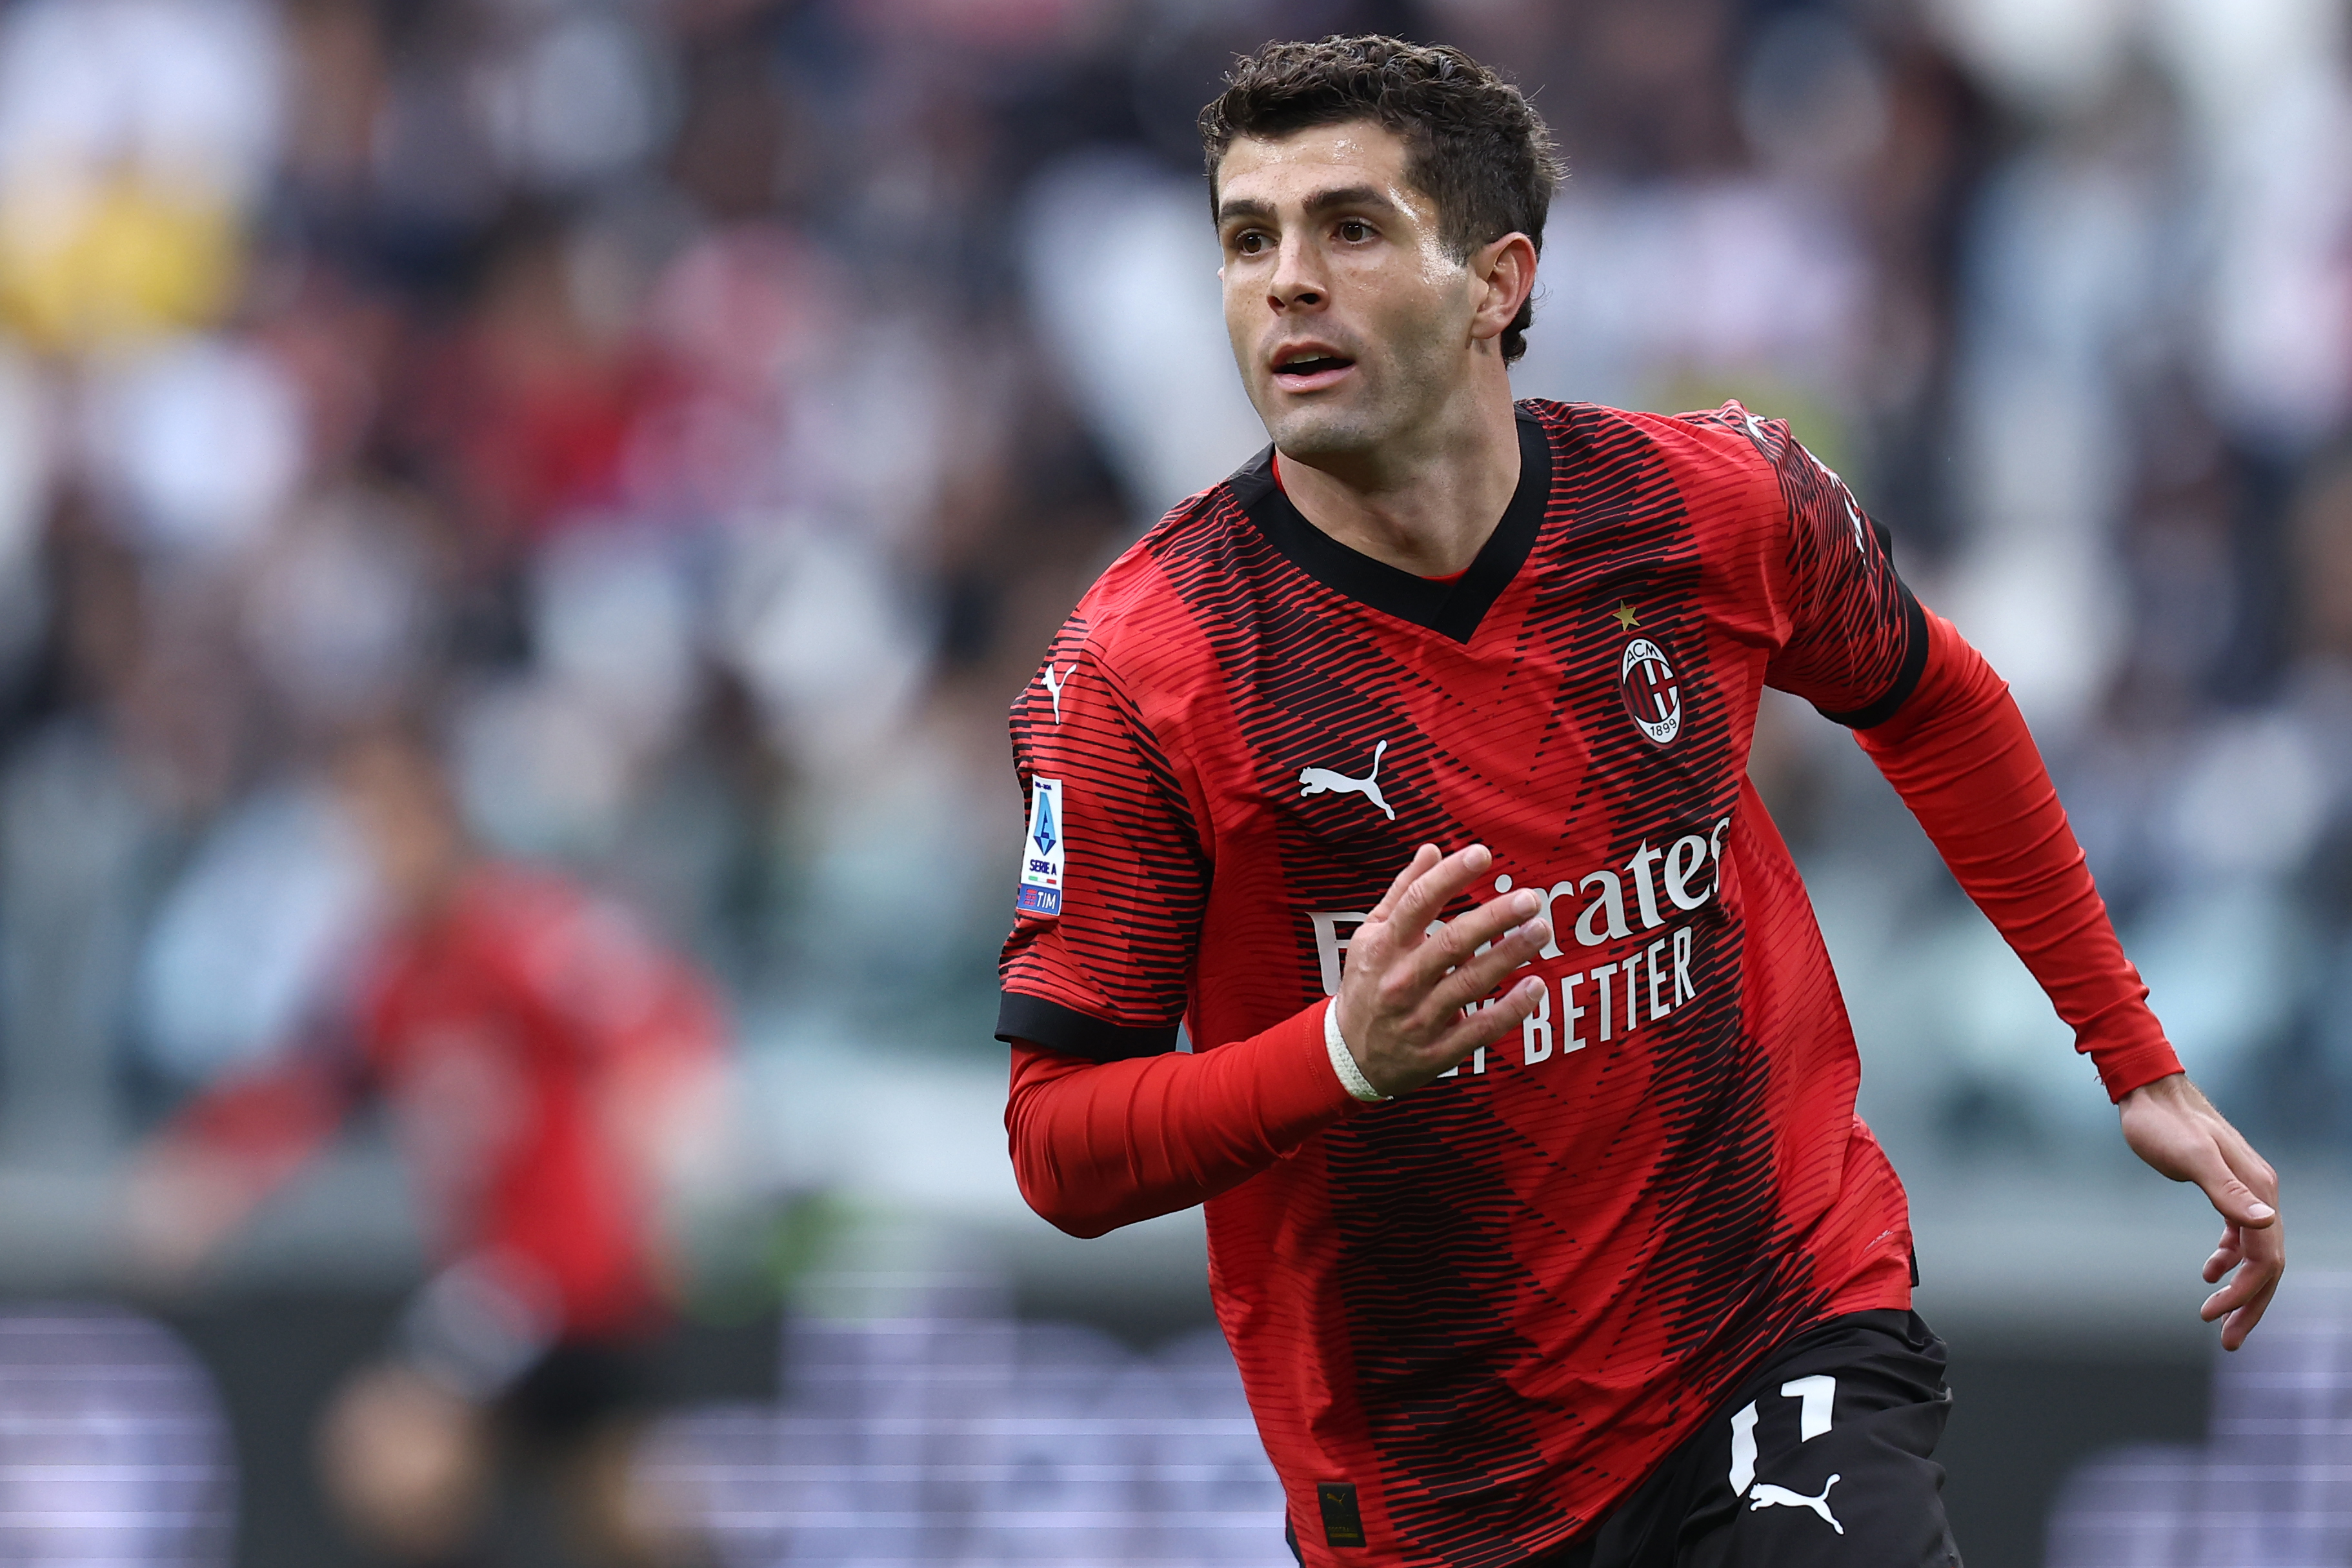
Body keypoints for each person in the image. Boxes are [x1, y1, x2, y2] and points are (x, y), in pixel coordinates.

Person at [994, 35, 2283, 1568]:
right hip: (1439, 1486)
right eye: (1246, 238)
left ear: (1496, 281)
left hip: (1776, 1324)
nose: (1284, 281)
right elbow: (1059, 1147)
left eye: (1347, 228)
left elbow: (1935, 700)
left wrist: (2128, 1054)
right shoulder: (1146, 669)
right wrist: (1342, 1055)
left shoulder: (1708, 504)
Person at [125, 727, 726, 1568]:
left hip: (554, 1267)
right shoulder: (390, 971)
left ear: (439, 817)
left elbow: (654, 1021)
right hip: (516, 1271)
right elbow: (313, 1086)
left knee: (390, 1449)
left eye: (386, 821)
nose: (372, 849)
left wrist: (671, 1155)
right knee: (618, 1513)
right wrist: (214, 1171)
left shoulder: (522, 930)